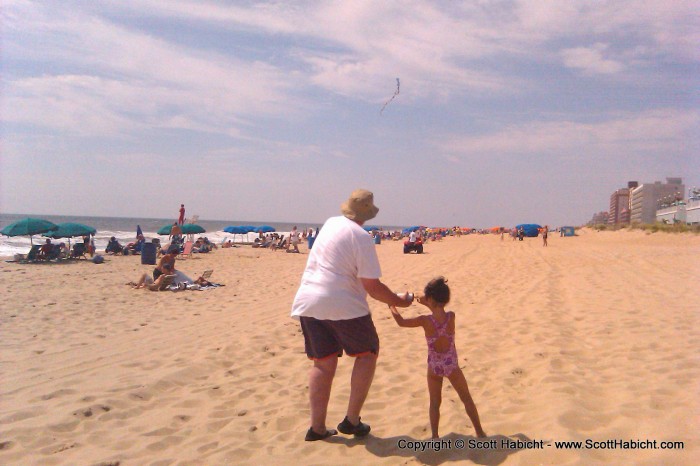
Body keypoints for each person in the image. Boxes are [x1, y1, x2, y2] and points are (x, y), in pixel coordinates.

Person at [291, 189, 413, 442]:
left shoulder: (331, 223)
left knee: (323, 364)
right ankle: (352, 420)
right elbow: (372, 286)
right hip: (343, 303)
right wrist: (399, 301)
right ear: (367, 213)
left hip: (309, 300)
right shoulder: (362, 237)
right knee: (367, 353)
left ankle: (317, 428)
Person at [390, 277, 486, 439]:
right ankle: (480, 432)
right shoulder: (451, 317)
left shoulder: (425, 321)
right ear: (446, 299)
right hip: (451, 366)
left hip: (434, 367)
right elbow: (438, 308)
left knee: (435, 403)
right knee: (466, 398)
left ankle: (435, 436)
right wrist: (429, 301)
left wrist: (392, 305)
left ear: (430, 299)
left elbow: (401, 322)